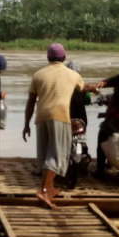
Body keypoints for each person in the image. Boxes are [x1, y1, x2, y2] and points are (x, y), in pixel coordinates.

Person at [23, 44, 92, 208]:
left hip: (41, 117)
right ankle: (44, 190)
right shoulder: (72, 74)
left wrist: (26, 124)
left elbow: (31, 102)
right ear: (64, 58)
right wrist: (96, 87)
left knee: (46, 153)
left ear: (48, 57)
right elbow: (84, 88)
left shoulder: (38, 74)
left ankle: (50, 187)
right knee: (57, 155)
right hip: (60, 116)